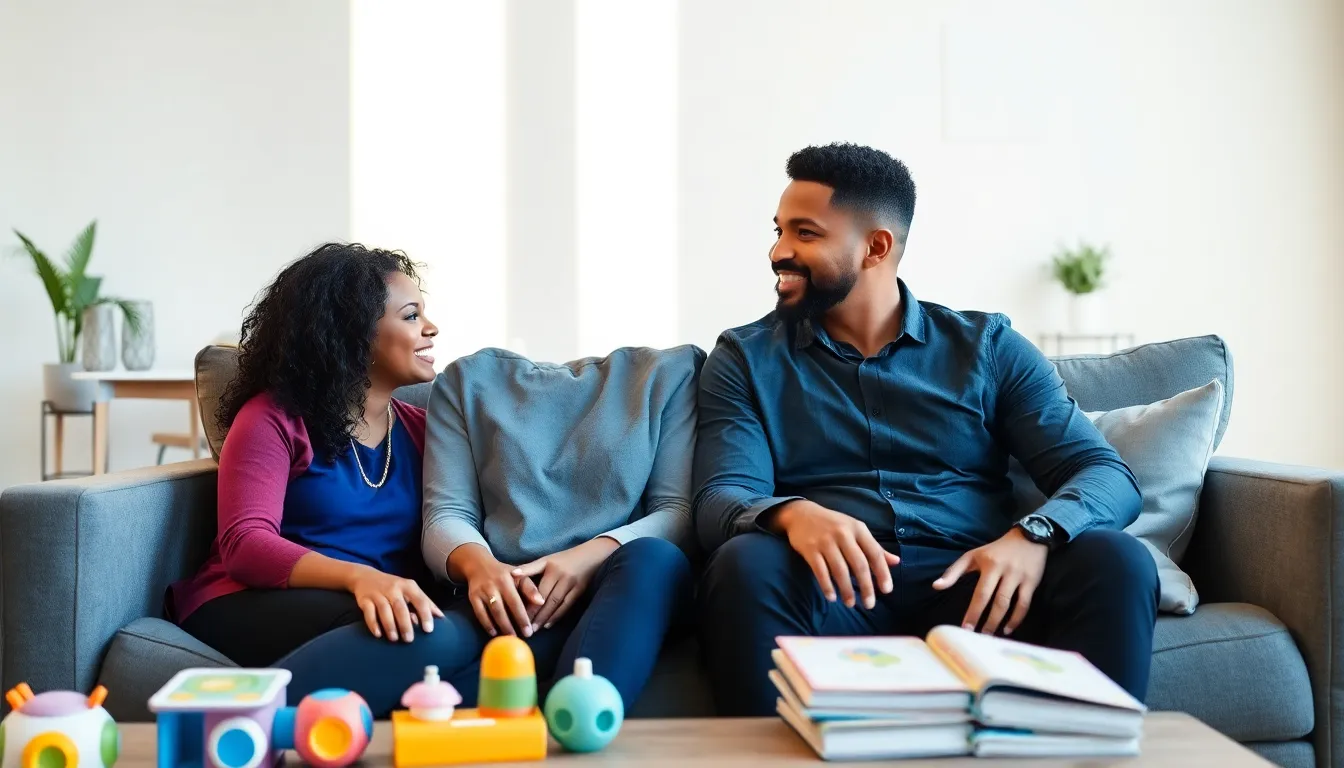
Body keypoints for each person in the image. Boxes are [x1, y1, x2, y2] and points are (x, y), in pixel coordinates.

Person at [693, 143, 1159, 717]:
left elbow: (1106, 473)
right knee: (744, 564)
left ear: (876, 247)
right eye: (779, 230)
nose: (778, 250)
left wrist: (1034, 534)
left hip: (982, 596)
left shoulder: (988, 348)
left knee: (1117, 561)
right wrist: (794, 514)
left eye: (805, 234)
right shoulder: (745, 357)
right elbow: (720, 499)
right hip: (835, 594)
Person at [171, 242, 452, 715]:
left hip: (376, 602)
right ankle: (248, 724)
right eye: (410, 316)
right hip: (248, 599)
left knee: (458, 632)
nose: (431, 329)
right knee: (402, 630)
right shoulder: (273, 418)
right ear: (354, 331)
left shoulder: (426, 433)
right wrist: (362, 580)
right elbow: (246, 543)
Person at [415, 343, 700, 711]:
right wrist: (482, 569)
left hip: (626, 579)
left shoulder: (672, 377)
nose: (428, 328)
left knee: (654, 556)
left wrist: (584, 559)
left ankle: (568, 720)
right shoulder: (459, 385)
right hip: (517, 593)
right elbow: (446, 513)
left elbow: (678, 511)